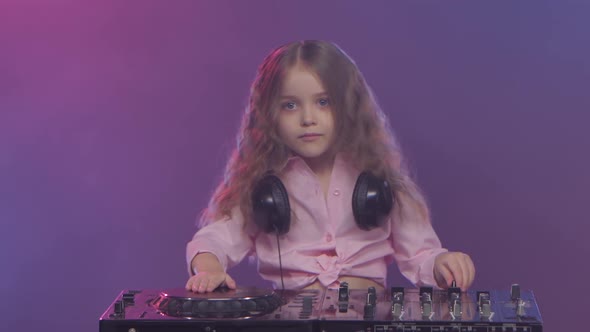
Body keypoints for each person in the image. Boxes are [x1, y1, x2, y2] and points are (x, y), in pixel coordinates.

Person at [185, 40, 475, 294]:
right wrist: (209, 268)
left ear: (348, 105)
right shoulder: (262, 186)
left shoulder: (378, 178)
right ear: (268, 114)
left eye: (323, 102)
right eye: (290, 105)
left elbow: (421, 254)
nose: (308, 118)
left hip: (366, 319)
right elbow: (215, 239)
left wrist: (441, 263)